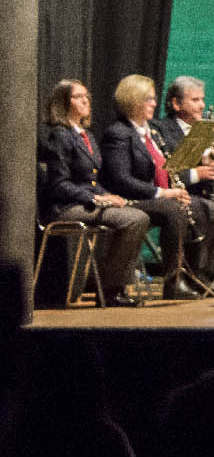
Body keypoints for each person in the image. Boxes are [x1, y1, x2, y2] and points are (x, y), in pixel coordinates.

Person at [100, 74, 214, 299]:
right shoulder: (118, 134)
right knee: (173, 209)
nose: (154, 104)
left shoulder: (152, 133)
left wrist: (176, 188)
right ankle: (173, 280)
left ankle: (196, 274)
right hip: (129, 198)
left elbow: (167, 168)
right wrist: (162, 192)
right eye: (148, 99)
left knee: (211, 209)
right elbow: (122, 180)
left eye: (154, 99)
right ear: (133, 101)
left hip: (154, 196)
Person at [37, 79, 149, 307]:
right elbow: (59, 185)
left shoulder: (86, 135)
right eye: (78, 96)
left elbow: (92, 179)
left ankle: (109, 285)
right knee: (135, 220)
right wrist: (96, 198)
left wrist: (109, 196)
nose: (86, 100)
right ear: (63, 102)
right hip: (65, 208)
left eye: (86, 95)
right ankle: (109, 291)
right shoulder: (60, 136)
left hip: (86, 202)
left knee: (134, 212)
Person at [154, 75, 214, 212]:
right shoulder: (161, 129)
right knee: (213, 210)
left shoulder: (206, 124)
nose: (202, 105)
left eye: (202, 99)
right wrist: (197, 172)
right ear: (176, 104)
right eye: (195, 100)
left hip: (210, 189)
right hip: (184, 192)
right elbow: (167, 172)